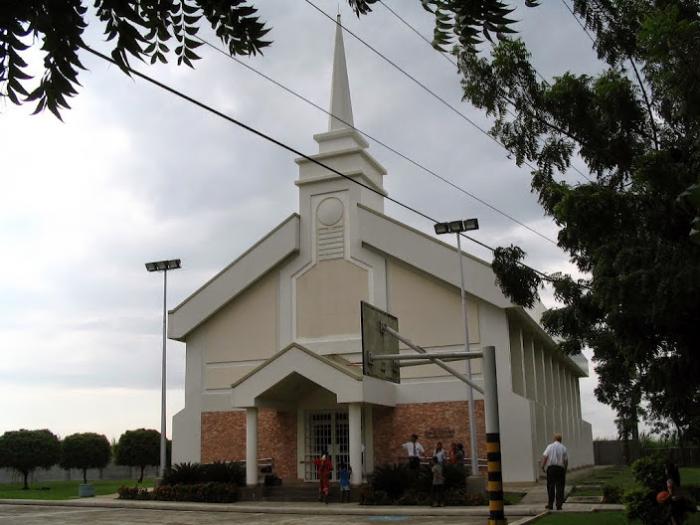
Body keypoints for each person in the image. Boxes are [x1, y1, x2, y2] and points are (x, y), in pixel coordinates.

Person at [541, 433, 568, 511]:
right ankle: (559, 505)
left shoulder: (549, 446)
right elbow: (566, 460)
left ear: (554, 439)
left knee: (550, 487)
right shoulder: (563, 448)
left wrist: (543, 466)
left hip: (551, 469)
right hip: (560, 469)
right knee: (560, 487)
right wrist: (565, 469)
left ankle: (550, 505)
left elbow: (545, 456)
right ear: (560, 440)